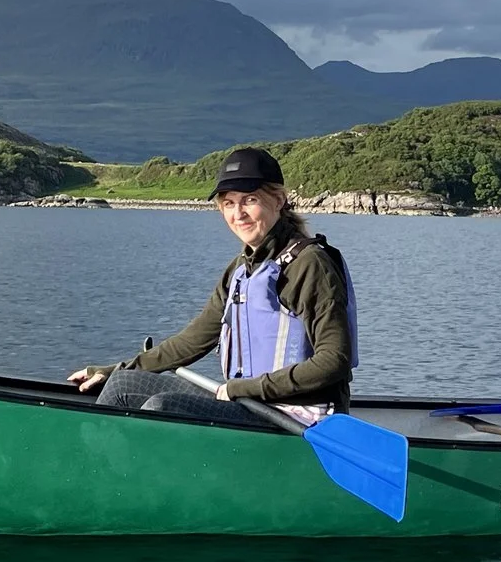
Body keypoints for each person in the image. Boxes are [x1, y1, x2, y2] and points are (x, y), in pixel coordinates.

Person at [68, 146, 357, 428]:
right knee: (122, 385)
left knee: (164, 408)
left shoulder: (309, 264)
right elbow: (190, 342)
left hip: (296, 418)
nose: (238, 213)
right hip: (250, 403)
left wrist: (248, 388)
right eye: (228, 203)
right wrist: (111, 370)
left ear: (279, 200)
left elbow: (334, 361)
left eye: (250, 200)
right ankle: (94, 470)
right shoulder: (241, 270)